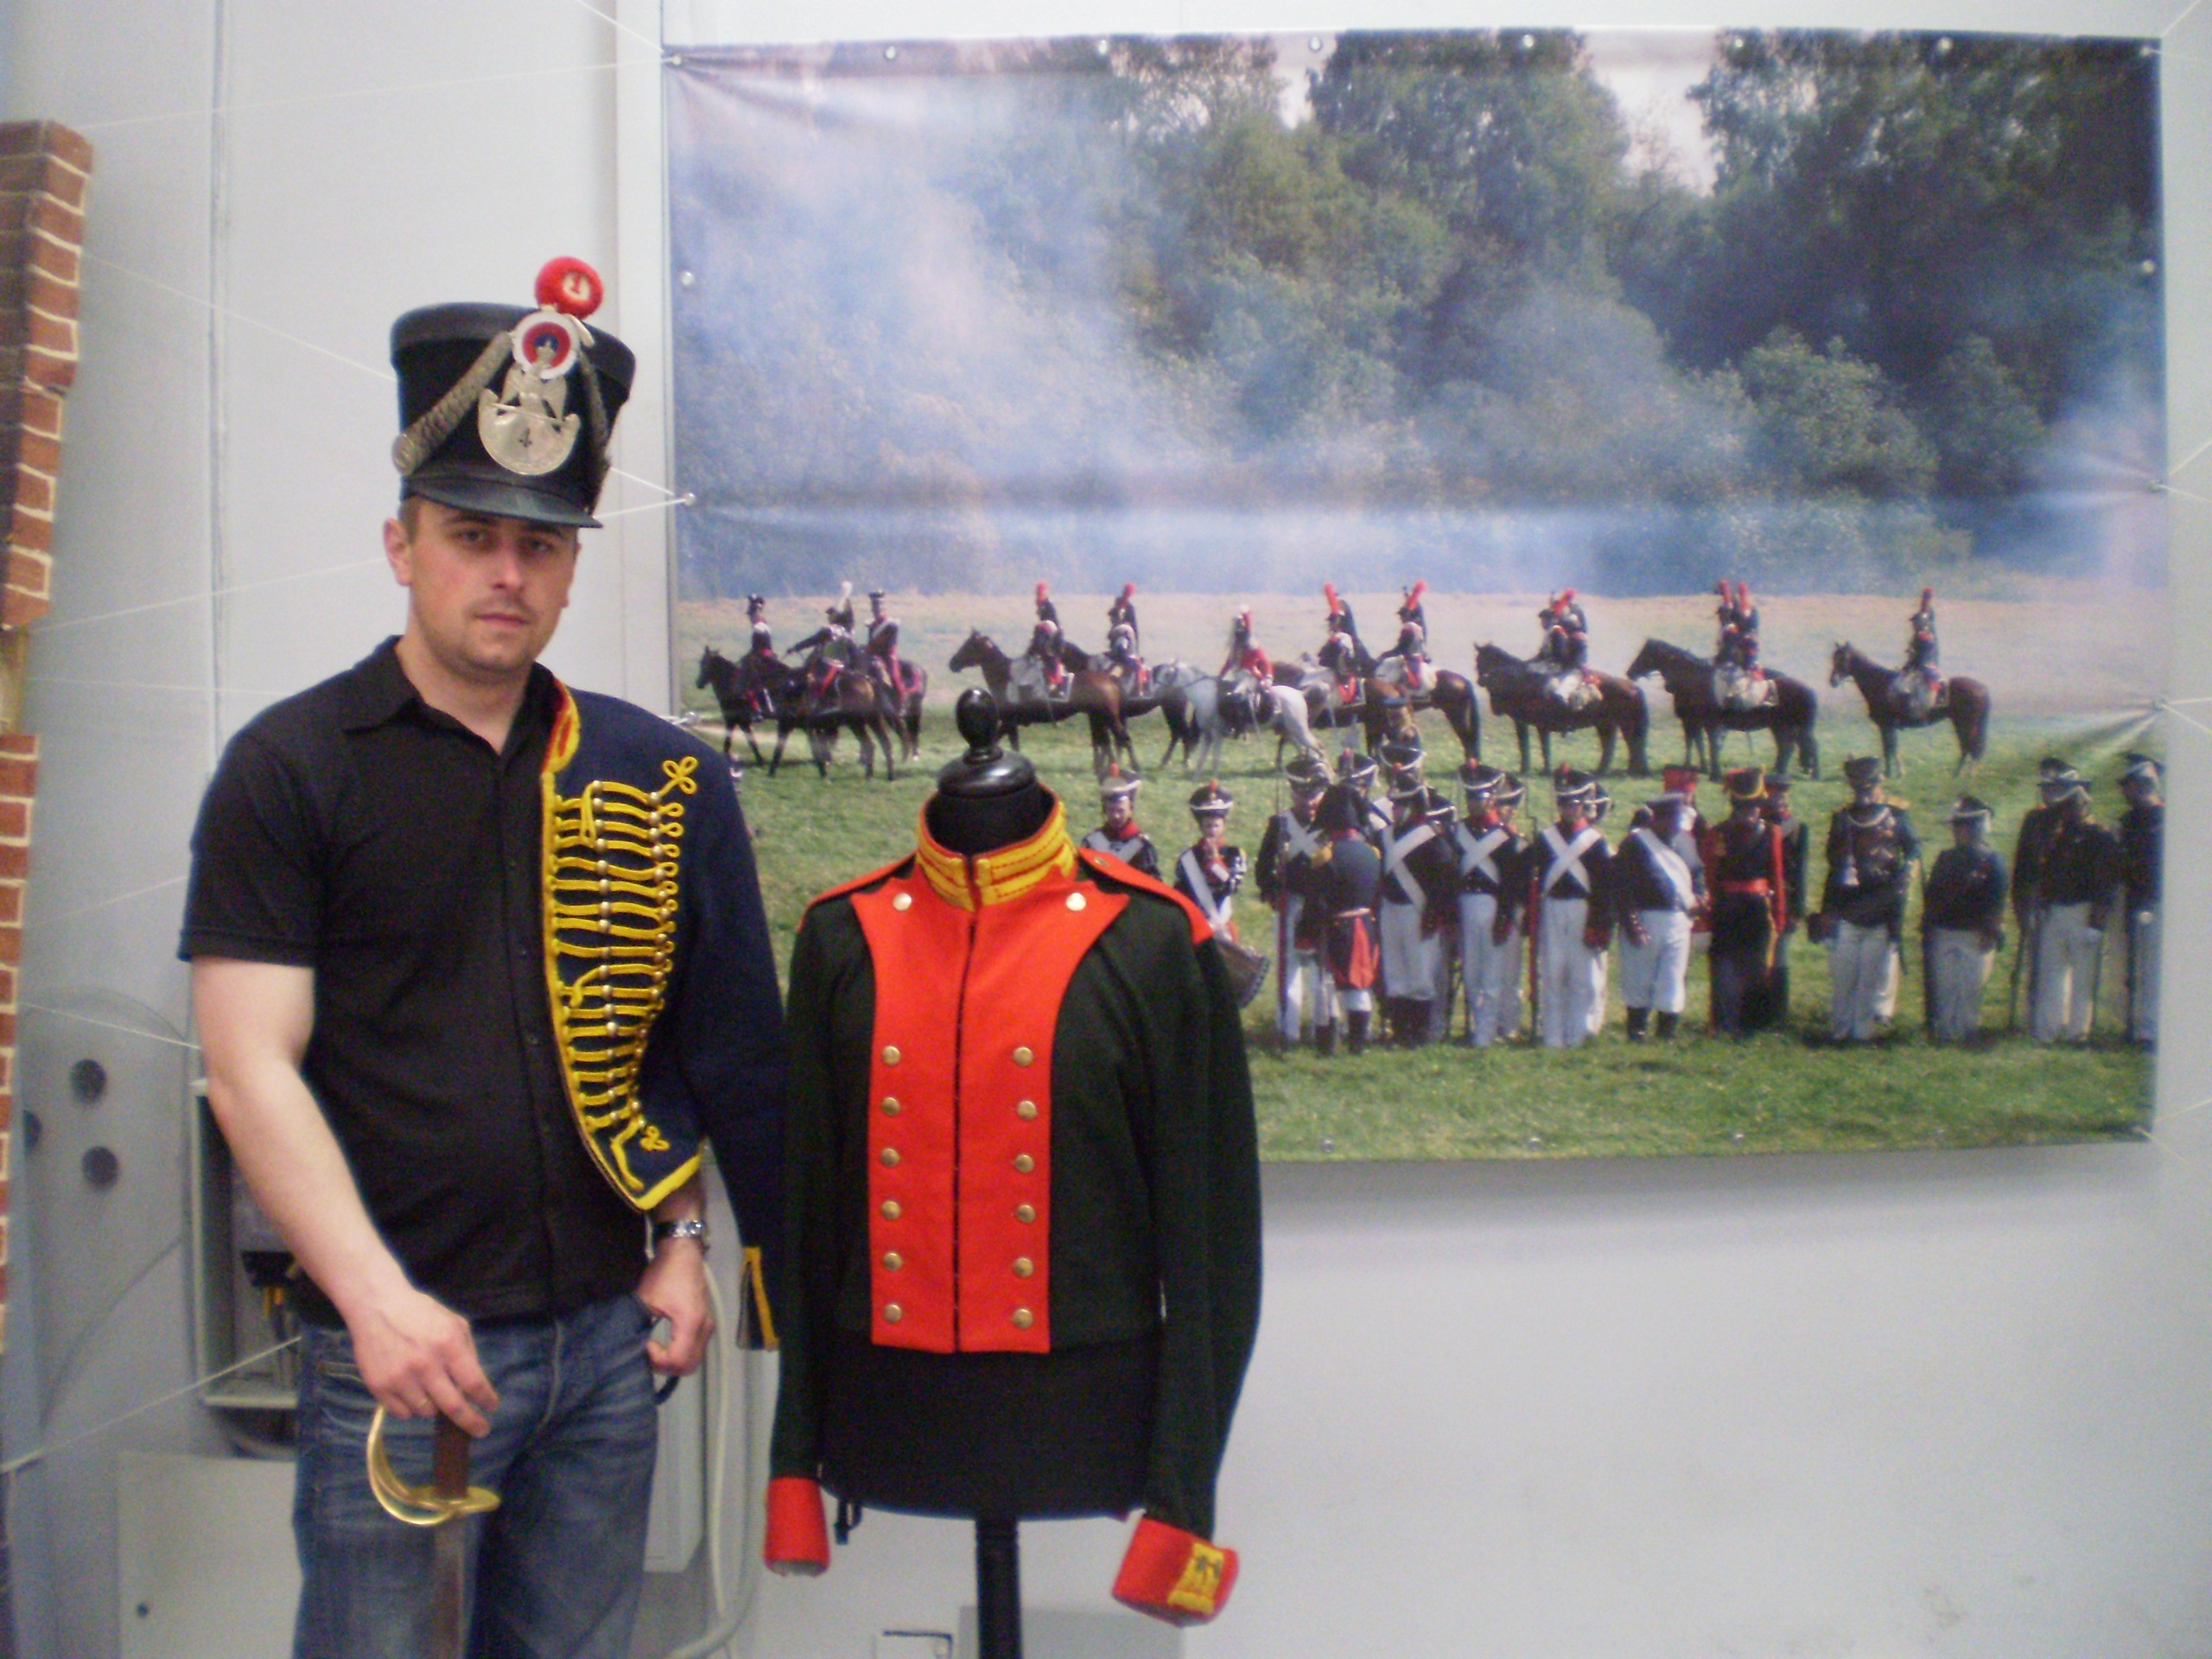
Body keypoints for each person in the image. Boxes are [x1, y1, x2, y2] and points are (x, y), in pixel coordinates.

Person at [181, 260, 787, 1659]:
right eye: (471, 535)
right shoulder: (292, 769)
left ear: (571, 564)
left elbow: (689, 1042)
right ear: (402, 545)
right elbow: (246, 1067)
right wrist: (374, 1303)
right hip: (395, 1346)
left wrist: (685, 1243)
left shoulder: (658, 776)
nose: (507, 574)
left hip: (610, 1342)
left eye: (541, 544)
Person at [1814, 756, 1919, 1042]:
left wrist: (1906, 872)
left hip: (1882, 905)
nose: (1865, 795)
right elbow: (1833, 864)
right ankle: (1840, 1032)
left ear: (1879, 785)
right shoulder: (1842, 819)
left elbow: (1912, 849)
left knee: (1870, 980)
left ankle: (1861, 1033)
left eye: (1869, 788)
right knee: (1844, 979)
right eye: (1859, 788)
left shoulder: (1896, 816)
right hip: (1847, 905)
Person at [2030, 766, 2120, 1043]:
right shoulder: (2057, 836)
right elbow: (2046, 875)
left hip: (2084, 911)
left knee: (2083, 977)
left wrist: (2097, 923)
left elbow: (2106, 883)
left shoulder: (2101, 837)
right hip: (2056, 910)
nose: (2066, 811)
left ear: (2084, 804)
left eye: (2071, 805)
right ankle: (2048, 1029)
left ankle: (2078, 1032)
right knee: (2051, 973)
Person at [1291, 784, 1383, 1054]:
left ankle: (1328, 1044)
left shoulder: (1326, 856)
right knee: (1359, 985)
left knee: (1327, 984)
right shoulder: (1371, 853)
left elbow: (1316, 902)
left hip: (1336, 927)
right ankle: (1358, 1043)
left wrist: (1306, 934)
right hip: (1367, 925)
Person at [1524, 769, 1614, 1047]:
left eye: (1573, 804)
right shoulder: (1546, 839)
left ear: (1584, 804)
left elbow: (1604, 890)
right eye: (1563, 803)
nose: (1567, 809)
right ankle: (1552, 1035)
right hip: (1552, 907)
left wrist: (1598, 923)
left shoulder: (1596, 843)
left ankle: (1579, 1034)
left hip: (1582, 910)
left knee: (1582, 976)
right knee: (1553, 973)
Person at [1703, 767, 1788, 1038]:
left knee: (1756, 968)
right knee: (1725, 970)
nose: (1748, 813)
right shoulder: (1718, 834)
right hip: (1728, 908)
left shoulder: (1770, 833)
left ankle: (1751, 1026)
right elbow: (1711, 876)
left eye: (1752, 807)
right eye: (1743, 807)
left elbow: (1776, 878)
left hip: (1755, 908)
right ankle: (1725, 1025)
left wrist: (1779, 917)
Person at [1376, 764, 1457, 1046]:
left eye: (1400, 806)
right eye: (1394, 805)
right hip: (1390, 909)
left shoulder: (1433, 839)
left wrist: (1434, 913)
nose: (1395, 811)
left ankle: (1419, 1033)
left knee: (1420, 976)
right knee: (1395, 972)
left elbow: (1444, 880)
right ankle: (1400, 1030)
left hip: (1418, 912)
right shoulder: (1385, 837)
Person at [1257, 755, 1333, 1049]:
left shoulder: (1330, 824)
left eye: (1314, 794)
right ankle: (1287, 1029)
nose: (1309, 801)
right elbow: (1263, 867)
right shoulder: (1280, 824)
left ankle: (1321, 1028)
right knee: (1288, 969)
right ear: (1293, 792)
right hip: (1290, 904)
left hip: (1320, 907)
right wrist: (1272, 892)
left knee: (1321, 971)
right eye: (1303, 794)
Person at [1615, 790, 1704, 1041]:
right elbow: (1622, 887)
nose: (1675, 825)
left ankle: (1666, 1033)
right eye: (1670, 819)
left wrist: (1700, 896)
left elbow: (1697, 874)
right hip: (1646, 917)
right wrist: (1632, 924)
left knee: (1672, 976)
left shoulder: (1685, 843)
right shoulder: (1635, 844)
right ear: (1657, 819)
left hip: (1678, 918)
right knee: (1639, 977)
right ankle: (1637, 1030)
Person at [1922, 797, 2007, 1043]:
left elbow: (1996, 900)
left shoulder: (1992, 861)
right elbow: (1934, 895)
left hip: (1975, 933)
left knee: (1971, 988)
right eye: (1958, 826)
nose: (1959, 831)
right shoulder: (1946, 858)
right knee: (1945, 987)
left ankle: (1967, 1031)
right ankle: (1945, 1032)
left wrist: (1990, 930)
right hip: (1945, 930)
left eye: (1965, 826)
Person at [1450, 764, 1522, 1047]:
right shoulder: (1458, 832)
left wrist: (1504, 916)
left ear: (1492, 799)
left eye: (1479, 798)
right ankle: (1476, 1025)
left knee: (1492, 973)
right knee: (1471, 972)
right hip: (1465, 905)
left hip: (1492, 906)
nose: (1474, 803)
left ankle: (1486, 1032)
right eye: (1470, 797)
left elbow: (1510, 883)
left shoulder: (1505, 838)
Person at [1750, 771, 1809, 1031]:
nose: (1777, 799)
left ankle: (1779, 1015)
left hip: (1785, 900)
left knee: (1780, 958)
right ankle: (1756, 1014)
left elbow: (1800, 871)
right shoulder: (1755, 826)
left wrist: (1798, 909)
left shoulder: (1796, 828)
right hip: (1758, 897)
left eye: (1781, 794)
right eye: (1772, 794)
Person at [2118, 753, 2163, 1046]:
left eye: (2130, 785)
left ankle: (2149, 1028)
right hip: (2135, 899)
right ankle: (2135, 1023)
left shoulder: (2167, 819)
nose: (2125, 791)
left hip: (2158, 901)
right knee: (2135, 966)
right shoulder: (2130, 821)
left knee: (2153, 967)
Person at [1173, 780, 1248, 940]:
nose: (1212, 831)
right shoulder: (1189, 858)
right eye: (1208, 826)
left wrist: (1214, 862)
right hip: (1195, 926)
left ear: (1224, 826)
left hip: (1222, 927)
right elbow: (1181, 890)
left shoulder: (1234, 855)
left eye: (1216, 825)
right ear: (1201, 827)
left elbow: (1231, 886)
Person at [1079, 765, 1160, 879]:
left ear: (1130, 809)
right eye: (1111, 810)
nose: (1116, 816)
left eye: (1121, 811)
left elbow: (1152, 884)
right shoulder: (1091, 842)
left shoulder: (1142, 847)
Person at [1534, 588, 1593, 709]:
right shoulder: (1564, 637)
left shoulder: (1577, 640)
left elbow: (1572, 661)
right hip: (1565, 669)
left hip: (1575, 671)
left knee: (1561, 694)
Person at [1899, 587, 1944, 719]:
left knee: (1903, 686)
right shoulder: (1923, 628)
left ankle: (1912, 710)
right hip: (1920, 662)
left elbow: (1921, 654)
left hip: (1923, 663)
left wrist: (1912, 662)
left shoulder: (1925, 634)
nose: (1913, 626)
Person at [1025, 582, 1068, 696]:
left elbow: (1049, 625)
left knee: (1049, 657)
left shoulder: (1048, 607)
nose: (1038, 595)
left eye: (1040, 593)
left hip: (1052, 636)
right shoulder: (1043, 606)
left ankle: (1055, 684)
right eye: (1037, 593)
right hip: (1047, 634)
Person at [863, 588, 903, 696]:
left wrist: (877, 653)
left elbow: (891, 644)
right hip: (873, 655)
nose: (876, 608)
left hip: (887, 655)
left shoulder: (890, 625)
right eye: (874, 605)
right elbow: (870, 643)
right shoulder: (872, 626)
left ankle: (900, 699)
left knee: (894, 676)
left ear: (883, 606)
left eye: (879, 605)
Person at [1222, 606, 1273, 685]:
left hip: (1252, 676)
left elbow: (1264, 661)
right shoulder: (1235, 648)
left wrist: (1268, 677)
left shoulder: (1253, 647)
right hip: (1238, 676)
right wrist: (1221, 676)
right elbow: (1230, 662)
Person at [1107, 582, 1141, 654]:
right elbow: (1134, 626)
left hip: (1119, 634)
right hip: (1123, 635)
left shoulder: (1120, 603)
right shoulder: (1128, 607)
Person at [747, 592, 776, 658]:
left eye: (752, 614)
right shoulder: (763, 626)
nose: (750, 618)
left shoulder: (759, 628)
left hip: (763, 659)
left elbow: (756, 650)